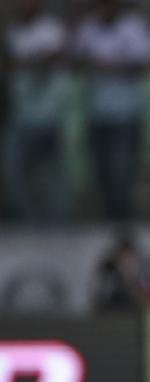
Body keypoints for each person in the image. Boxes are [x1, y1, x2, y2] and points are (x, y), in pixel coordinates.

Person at [74, 0, 150, 221]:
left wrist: (108, 64)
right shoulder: (88, 27)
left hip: (126, 114)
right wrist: (88, 62)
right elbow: (75, 62)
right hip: (96, 113)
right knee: (101, 172)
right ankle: (108, 218)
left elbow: (142, 65)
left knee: (123, 173)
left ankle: (124, 219)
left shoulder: (133, 27)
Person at [4, 0, 71, 222]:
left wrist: (33, 62)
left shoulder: (51, 28)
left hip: (50, 114)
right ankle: (27, 219)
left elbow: (55, 56)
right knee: (17, 172)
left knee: (54, 174)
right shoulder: (14, 31)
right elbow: (12, 65)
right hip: (22, 115)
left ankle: (58, 221)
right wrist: (33, 61)